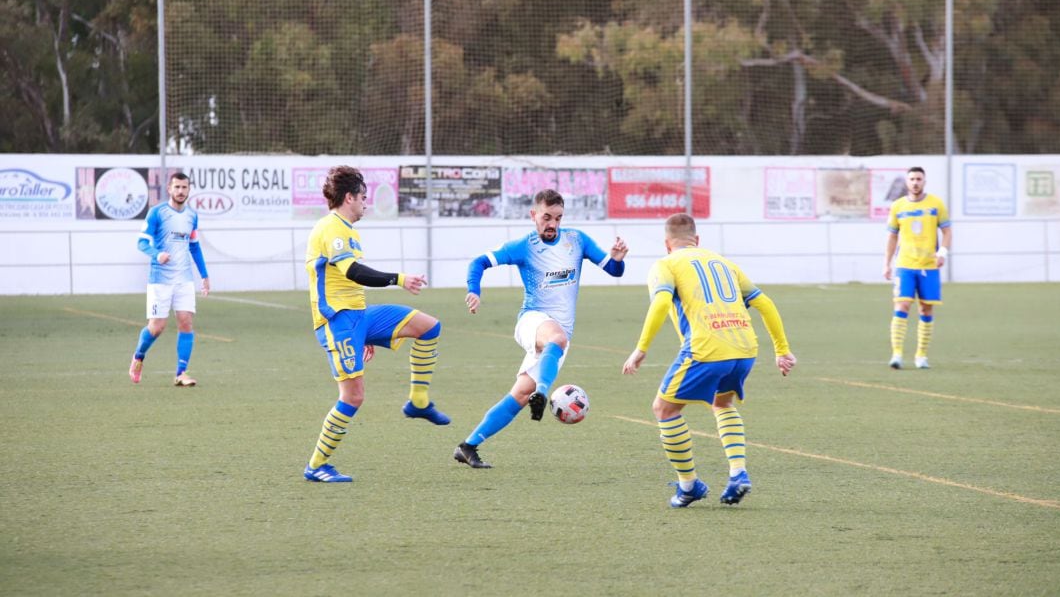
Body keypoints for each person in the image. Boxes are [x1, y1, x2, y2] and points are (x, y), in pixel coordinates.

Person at [622, 213, 796, 508]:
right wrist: (782, 350)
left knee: (664, 409)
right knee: (722, 403)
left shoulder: (665, 265)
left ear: (667, 243)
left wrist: (641, 349)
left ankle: (688, 485)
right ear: (697, 239)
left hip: (705, 348)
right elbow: (764, 303)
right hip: (744, 348)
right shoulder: (724, 263)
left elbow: (662, 302)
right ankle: (738, 473)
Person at [453, 188, 628, 469]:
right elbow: (479, 262)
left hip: (558, 340)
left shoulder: (577, 240)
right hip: (532, 321)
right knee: (555, 339)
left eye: (558, 218)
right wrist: (474, 290)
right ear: (534, 215)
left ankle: (468, 446)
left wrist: (617, 259)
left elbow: (614, 271)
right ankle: (543, 392)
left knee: (520, 395)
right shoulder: (525, 246)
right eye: (547, 217)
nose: (552, 224)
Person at [302, 166, 450, 483]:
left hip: (359, 316)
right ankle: (316, 465)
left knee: (428, 327)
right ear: (349, 197)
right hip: (338, 323)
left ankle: (418, 402)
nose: (366, 203)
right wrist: (399, 279)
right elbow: (353, 272)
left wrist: (365, 331)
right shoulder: (332, 229)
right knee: (353, 397)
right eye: (363, 198)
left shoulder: (346, 229)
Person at [128, 172, 210, 387]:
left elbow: (194, 246)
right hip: (160, 279)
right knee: (157, 327)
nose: (181, 191)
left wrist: (204, 275)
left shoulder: (192, 216)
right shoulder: (157, 213)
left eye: (184, 188)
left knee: (186, 321)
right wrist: (158, 254)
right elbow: (142, 243)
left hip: (184, 278)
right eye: (177, 187)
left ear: (189, 190)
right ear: (170, 189)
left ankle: (181, 373)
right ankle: (138, 356)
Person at [883, 166, 952, 370]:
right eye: (912, 179)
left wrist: (943, 253)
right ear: (906, 182)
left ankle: (921, 355)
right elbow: (892, 236)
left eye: (919, 179)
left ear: (924, 181)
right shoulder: (898, 206)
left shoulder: (936, 204)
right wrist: (886, 263)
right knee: (902, 306)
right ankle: (896, 355)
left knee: (926, 308)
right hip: (905, 265)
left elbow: (947, 232)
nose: (915, 182)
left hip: (929, 266)